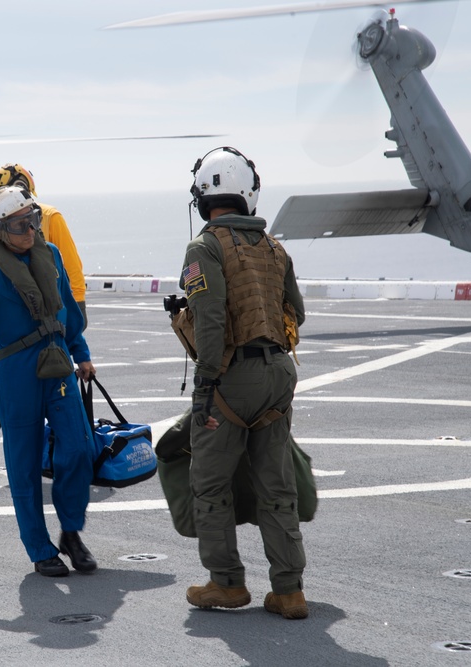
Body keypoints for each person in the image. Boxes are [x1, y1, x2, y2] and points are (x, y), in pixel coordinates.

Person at [179, 147, 308, 619]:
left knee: (210, 484)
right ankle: (290, 591)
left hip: (233, 380)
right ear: (248, 194)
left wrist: (205, 385)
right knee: (277, 485)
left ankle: (227, 583)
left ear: (203, 198)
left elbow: (210, 319)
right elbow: (296, 311)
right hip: (279, 372)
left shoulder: (205, 247)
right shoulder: (275, 247)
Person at [0, 185, 97, 577]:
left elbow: (64, 313)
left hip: (59, 364)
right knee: (23, 464)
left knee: (79, 449)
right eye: (18, 225)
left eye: (32, 221)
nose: (29, 230)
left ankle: (71, 531)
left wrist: (81, 354)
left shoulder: (51, 256)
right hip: (17, 374)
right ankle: (39, 547)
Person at [0, 163, 88, 474]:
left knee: (57, 389)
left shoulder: (49, 216)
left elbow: (69, 266)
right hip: (17, 326)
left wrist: (75, 317)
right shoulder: (1, 219)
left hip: (54, 318)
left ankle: (62, 454)